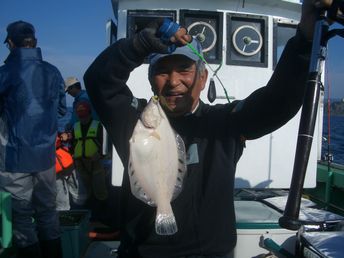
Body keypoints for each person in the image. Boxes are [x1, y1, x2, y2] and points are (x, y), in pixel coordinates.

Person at [84, 1, 333, 257]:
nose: (173, 81)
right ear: (150, 80)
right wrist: (138, 45)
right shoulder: (135, 122)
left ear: (202, 78)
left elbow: (277, 101)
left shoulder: (224, 122)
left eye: (184, 69)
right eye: (161, 71)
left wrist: (304, 39)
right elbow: (98, 81)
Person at [0, 21, 66, 258]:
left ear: (10, 43)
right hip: (46, 157)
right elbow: (60, 110)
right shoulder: (53, 72)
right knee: (48, 212)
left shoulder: (4, 73)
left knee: (21, 218)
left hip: (13, 160)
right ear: (34, 42)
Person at [71, 101, 108, 205]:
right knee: (85, 190)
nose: (82, 118)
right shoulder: (75, 127)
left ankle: (102, 213)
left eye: (84, 115)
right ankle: (89, 211)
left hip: (96, 163)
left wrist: (100, 155)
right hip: (80, 163)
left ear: (90, 113)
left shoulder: (98, 126)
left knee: (99, 189)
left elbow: (104, 144)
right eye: (80, 115)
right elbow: (73, 144)